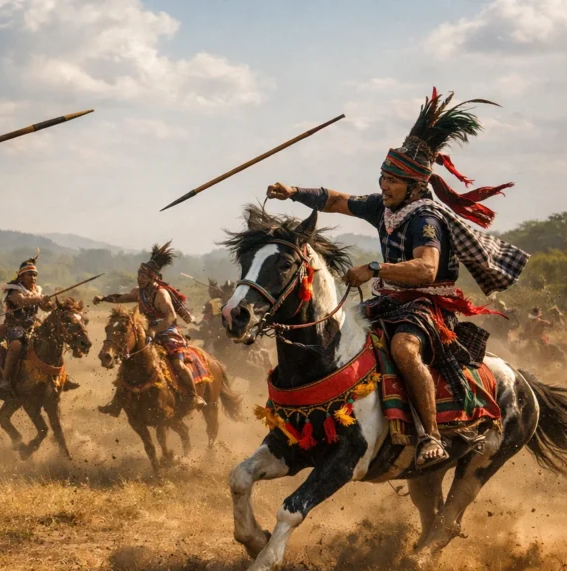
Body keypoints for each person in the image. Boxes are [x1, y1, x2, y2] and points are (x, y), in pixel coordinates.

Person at [267, 88, 529, 466]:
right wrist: (293, 192)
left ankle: (430, 436)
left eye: (392, 180)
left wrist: (375, 269)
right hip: (389, 301)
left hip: (426, 305)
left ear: (415, 185)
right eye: (383, 177)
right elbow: (337, 201)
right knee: (337, 334)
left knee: (404, 349)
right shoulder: (383, 206)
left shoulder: (426, 219)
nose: (384, 186)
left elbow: (426, 268)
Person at [93, 242, 204, 413]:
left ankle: (193, 395)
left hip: (167, 331)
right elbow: (122, 297)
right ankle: (117, 402)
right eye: (139, 274)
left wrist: (155, 330)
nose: (140, 278)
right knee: (128, 359)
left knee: (178, 364)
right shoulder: (139, 292)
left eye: (144, 275)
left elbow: (171, 317)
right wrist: (103, 298)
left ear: (152, 277)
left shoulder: (161, 294)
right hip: (146, 331)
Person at [0, 252, 53, 394]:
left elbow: (46, 308)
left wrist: (49, 304)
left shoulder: (37, 290)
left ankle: (54, 376)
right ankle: (5, 379)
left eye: (35, 275)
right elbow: (21, 301)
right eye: (30, 275)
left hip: (33, 326)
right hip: (14, 327)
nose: (33, 278)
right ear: (21, 276)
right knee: (16, 345)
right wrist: (39, 299)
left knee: (51, 341)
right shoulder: (14, 290)